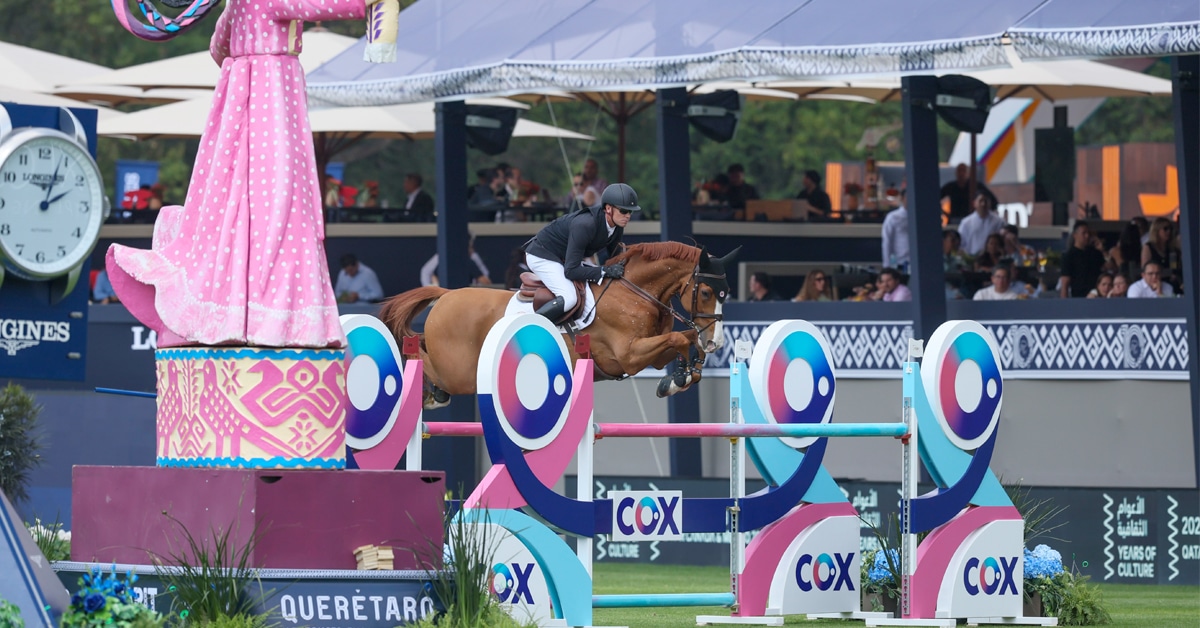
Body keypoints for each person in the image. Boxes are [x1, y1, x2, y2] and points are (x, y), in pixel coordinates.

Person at [106, 0, 397, 348]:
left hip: (241, 96)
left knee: (236, 207)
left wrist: (243, 62)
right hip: (272, 94)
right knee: (280, 206)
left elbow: (218, 46)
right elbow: (325, 5)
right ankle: (274, 319)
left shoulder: (238, 4)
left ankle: (234, 311)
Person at [521, 183, 638, 321]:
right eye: (624, 211)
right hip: (542, 255)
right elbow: (571, 271)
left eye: (630, 212)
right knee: (569, 298)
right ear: (608, 209)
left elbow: (616, 257)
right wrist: (604, 271)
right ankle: (529, 324)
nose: (628, 216)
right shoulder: (585, 224)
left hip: (564, 257)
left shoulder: (617, 225)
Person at [1059, 221, 1107, 298]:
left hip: (1097, 295)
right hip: (1079, 297)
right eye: (1084, 233)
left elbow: (1109, 268)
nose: (1087, 236)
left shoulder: (1095, 253)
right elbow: (1065, 282)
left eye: (1088, 233)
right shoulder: (1068, 256)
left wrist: (1102, 250)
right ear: (1075, 235)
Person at [421, 238, 491, 287]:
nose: (472, 250)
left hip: (448, 298)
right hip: (459, 298)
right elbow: (486, 282)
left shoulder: (447, 260)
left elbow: (434, 275)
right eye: (470, 247)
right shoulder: (468, 262)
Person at [957, 192, 1006, 256]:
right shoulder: (966, 223)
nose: (983, 204)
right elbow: (961, 243)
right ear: (974, 203)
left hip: (993, 258)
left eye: (986, 201)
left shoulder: (998, 222)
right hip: (971, 259)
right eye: (980, 201)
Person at [1141, 217, 1181, 291]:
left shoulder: (1172, 249)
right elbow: (1145, 268)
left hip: (1171, 283)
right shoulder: (1148, 247)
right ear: (1157, 230)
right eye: (1165, 229)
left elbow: (1175, 267)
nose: (1168, 231)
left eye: (1170, 229)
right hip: (1153, 283)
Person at [880, 188, 909, 269]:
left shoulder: (919, 217)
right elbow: (887, 241)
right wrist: (887, 265)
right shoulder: (893, 217)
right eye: (908, 197)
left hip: (917, 262)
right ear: (903, 198)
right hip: (899, 262)